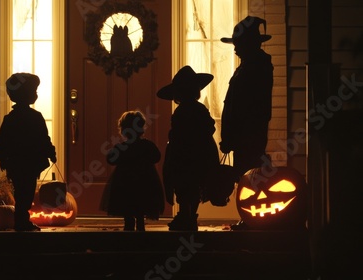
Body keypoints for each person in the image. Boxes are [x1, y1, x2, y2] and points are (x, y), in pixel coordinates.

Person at [157, 66, 220, 231]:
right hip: (201, 153)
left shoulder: (180, 112)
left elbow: (177, 134)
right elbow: (210, 127)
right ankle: (190, 216)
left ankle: (186, 215)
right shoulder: (200, 109)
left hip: (183, 155)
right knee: (196, 185)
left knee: (183, 187)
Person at [0, 72, 57, 231]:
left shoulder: (10, 119)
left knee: (21, 191)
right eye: (34, 91)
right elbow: (44, 138)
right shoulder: (35, 117)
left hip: (16, 162)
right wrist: (51, 152)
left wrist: (3, 158)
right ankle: (22, 220)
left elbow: (3, 141)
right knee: (27, 191)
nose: (36, 94)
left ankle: (21, 219)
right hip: (30, 162)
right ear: (27, 94)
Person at [220, 16, 274, 178]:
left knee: (249, 179)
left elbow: (243, 109)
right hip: (242, 140)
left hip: (248, 141)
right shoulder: (248, 67)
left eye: (238, 45)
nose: (235, 49)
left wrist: (231, 137)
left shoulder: (256, 69)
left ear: (249, 44)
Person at [100, 111, 165, 231]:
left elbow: (110, 159)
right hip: (144, 179)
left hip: (125, 180)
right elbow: (157, 156)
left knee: (127, 203)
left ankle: (128, 223)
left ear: (123, 130)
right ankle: (140, 223)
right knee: (141, 201)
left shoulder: (122, 147)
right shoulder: (147, 145)